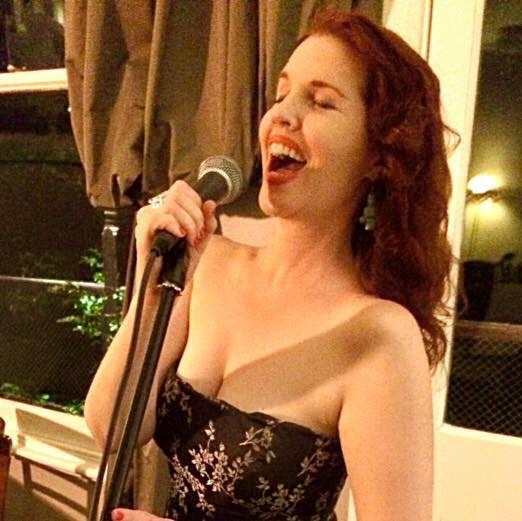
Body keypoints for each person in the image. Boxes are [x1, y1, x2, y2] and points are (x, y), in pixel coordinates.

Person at [85, 9, 454, 521]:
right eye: (281, 95)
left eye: (321, 101)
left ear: (377, 155)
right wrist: (150, 293)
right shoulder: (209, 263)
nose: (282, 115)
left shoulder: (378, 337)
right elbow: (110, 427)